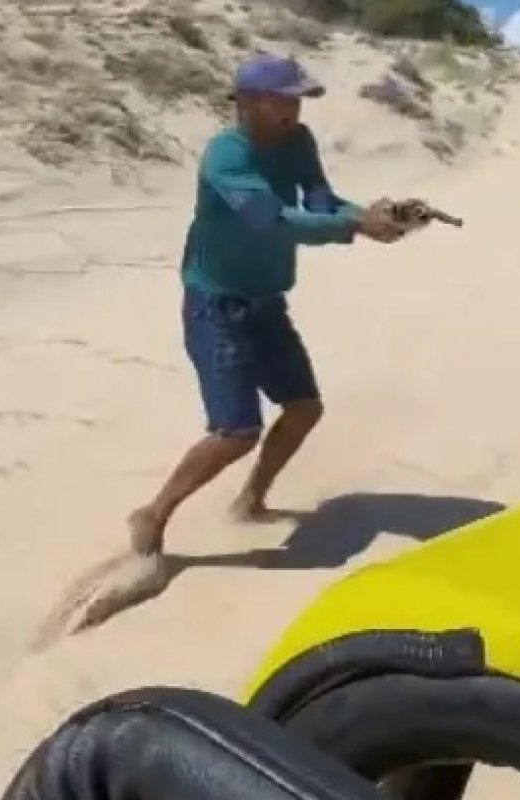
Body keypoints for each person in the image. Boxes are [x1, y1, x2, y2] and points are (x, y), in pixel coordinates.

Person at [128, 55, 407, 556]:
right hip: (215, 304)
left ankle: (250, 501)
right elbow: (270, 221)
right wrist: (355, 227)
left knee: (304, 408)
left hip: (266, 300)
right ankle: (153, 515)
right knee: (236, 431)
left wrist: (367, 214)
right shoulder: (225, 157)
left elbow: (318, 203)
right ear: (250, 102)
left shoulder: (298, 141)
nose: (295, 110)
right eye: (285, 100)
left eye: (298, 99)